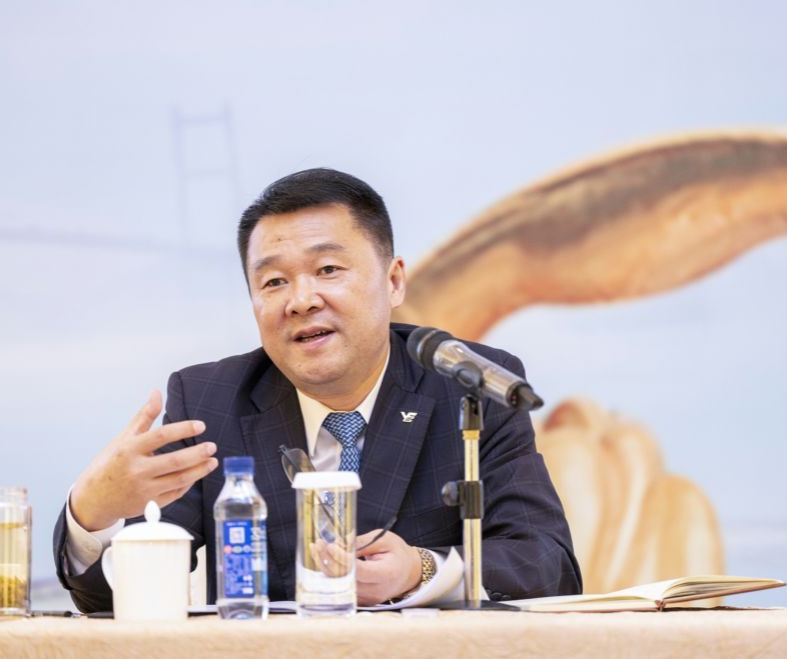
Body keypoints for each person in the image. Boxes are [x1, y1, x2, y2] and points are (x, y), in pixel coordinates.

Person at [53, 168, 582, 611]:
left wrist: (420, 571)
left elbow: (548, 564)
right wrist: (92, 513)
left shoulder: (466, 385)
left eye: (328, 269)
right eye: (273, 281)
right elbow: (113, 601)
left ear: (394, 281)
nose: (301, 300)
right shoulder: (210, 400)